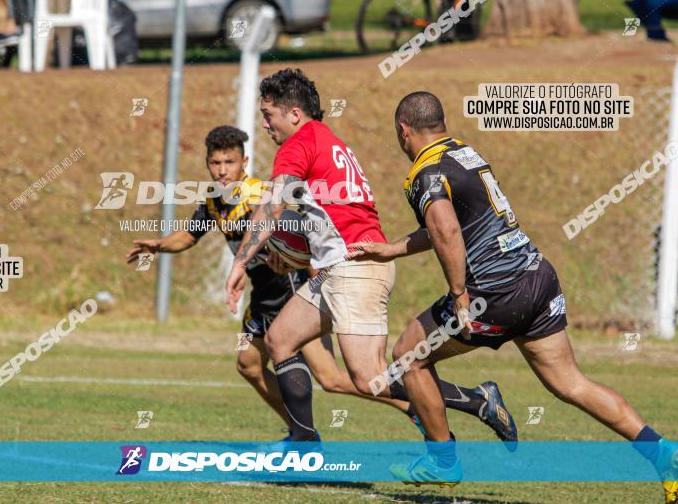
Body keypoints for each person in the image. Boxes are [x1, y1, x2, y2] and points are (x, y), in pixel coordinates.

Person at [347, 92, 678, 502]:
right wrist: (392, 249)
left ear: (404, 130)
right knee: (570, 383)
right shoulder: (465, 153)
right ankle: (663, 453)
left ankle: (442, 461)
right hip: (536, 276)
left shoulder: (424, 173)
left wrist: (460, 295)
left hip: (495, 291)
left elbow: (447, 231)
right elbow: (451, 226)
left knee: (408, 354)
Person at [224, 69, 517, 444]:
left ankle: (478, 399)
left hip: (356, 271)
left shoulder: (298, 144)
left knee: (369, 377)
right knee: (281, 338)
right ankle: (302, 438)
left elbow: (273, 206)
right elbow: (332, 216)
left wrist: (240, 262)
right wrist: (297, 252)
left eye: (269, 114)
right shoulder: (328, 140)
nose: (264, 124)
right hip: (341, 268)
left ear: (294, 114)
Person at [126, 126, 414, 439]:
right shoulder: (215, 202)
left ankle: (412, 405)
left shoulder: (257, 196)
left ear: (244, 161)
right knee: (249, 364)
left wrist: (304, 266)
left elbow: (295, 230)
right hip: (263, 295)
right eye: (215, 163)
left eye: (229, 162)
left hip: (290, 289)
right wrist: (158, 246)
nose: (222, 171)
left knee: (331, 379)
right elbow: (189, 236)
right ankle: (299, 431)